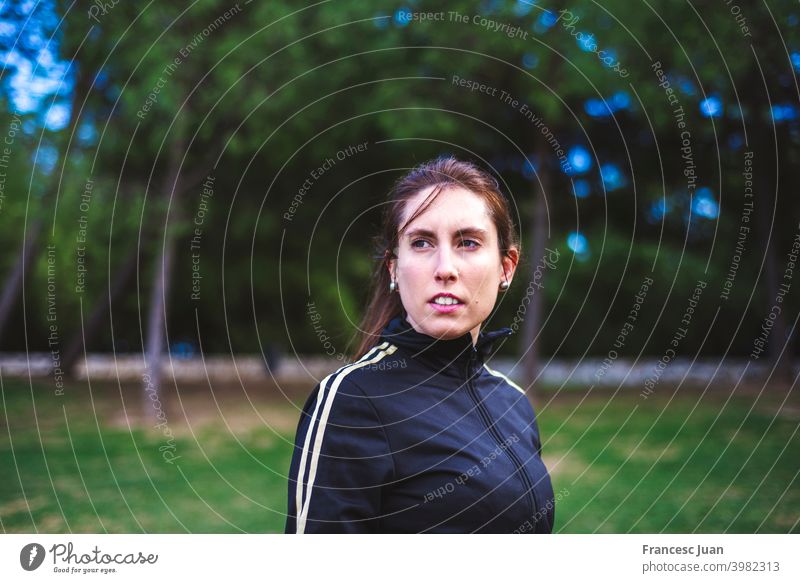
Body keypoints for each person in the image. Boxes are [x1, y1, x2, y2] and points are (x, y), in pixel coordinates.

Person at [285, 156, 555, 533]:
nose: (445, 268)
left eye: (468, 242)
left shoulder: (513, 401)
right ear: (394, 268)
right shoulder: (353, 400)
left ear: (506, 267)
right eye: (422, 242)